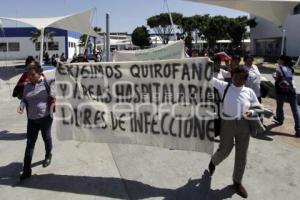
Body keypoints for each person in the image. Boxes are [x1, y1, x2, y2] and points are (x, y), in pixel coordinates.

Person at [208, 65, 260, 198]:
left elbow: (258, 107)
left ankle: (237, 182)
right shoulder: (224, 86)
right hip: (227, 123)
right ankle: (213, 161)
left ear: (245, 79)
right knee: (225, 149)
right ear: (232, 75)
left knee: (242, 154)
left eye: (242, 77)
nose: (238, 79)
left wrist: (252, 111)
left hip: (244, 125)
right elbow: (205, 77)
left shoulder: (249, 91)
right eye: (236, 76)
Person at [17, 62, 54, 180]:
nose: (30, 77)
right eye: (28, 74)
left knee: (46, 138)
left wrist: (62, 67)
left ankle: (48, 155)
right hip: (32, 120)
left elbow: (61, 78)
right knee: (30, 143)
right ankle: (27, 169)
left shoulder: (47, 83)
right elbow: (24, 99)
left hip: (46, 118)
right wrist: (22, 105)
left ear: (39, 74)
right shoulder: (27, 86)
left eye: (32, 74)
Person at [273, 55, 300, 137]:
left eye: (279, 59)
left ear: (283, 61)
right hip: (292, 89)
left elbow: (276, 77)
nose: (278, 60)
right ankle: (298, 129)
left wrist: (274, 75)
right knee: (295, 109)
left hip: (282, 90)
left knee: (280, 105)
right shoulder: (291, 69)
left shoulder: (279, 68)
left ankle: (280, 119)